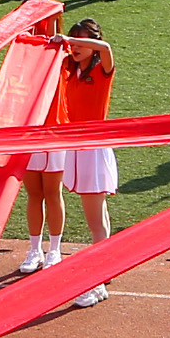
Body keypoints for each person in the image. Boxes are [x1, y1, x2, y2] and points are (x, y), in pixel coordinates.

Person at [18, 16, 122, 294]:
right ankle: (107, 265)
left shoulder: (102, 70)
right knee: (98, 214)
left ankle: (99, 278)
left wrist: (69, 40)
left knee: (95, 219)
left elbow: (107, 48)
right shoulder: (70, 69)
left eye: (81, 39)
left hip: (93, 148)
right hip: (75, 147)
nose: (75, 46)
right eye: (73, 38)